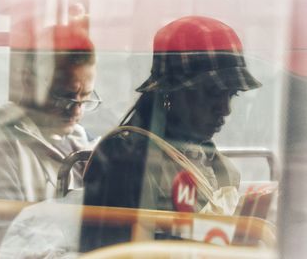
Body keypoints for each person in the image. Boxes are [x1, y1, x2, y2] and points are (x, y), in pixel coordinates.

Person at [79, 15, 262, 251]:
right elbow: (113, 249)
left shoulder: (222, 169)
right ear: (169, 94)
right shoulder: (125, 159)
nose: (225, 109)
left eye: (231, 94)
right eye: (211, 92)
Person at [0, 29, 101, 202]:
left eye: (85, 97)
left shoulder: (82, 141)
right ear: (28, 81)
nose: (77, 111)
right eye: (64, 96)